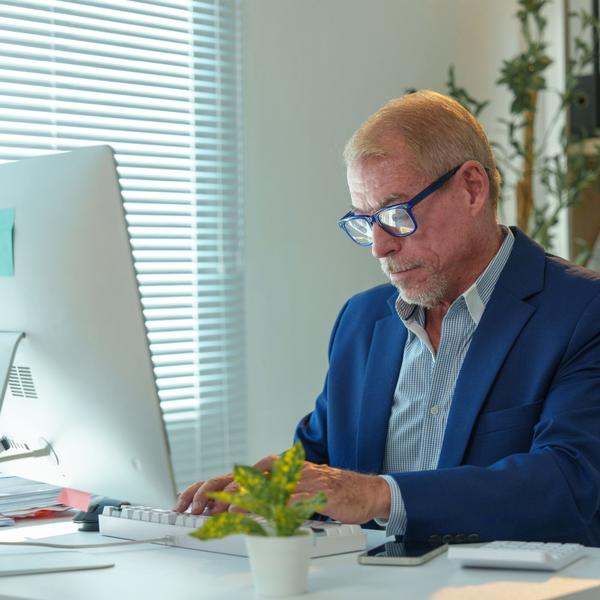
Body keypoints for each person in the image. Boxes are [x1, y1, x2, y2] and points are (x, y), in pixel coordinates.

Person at [176, 90, 600, 545]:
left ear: (472, 188)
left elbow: (568, 482)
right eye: (365, 222)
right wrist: (259, 494)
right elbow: (321, 462)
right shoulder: (361, 321)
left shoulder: (582, 312)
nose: (380, 247)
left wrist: (381, 495)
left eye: (396, 215)